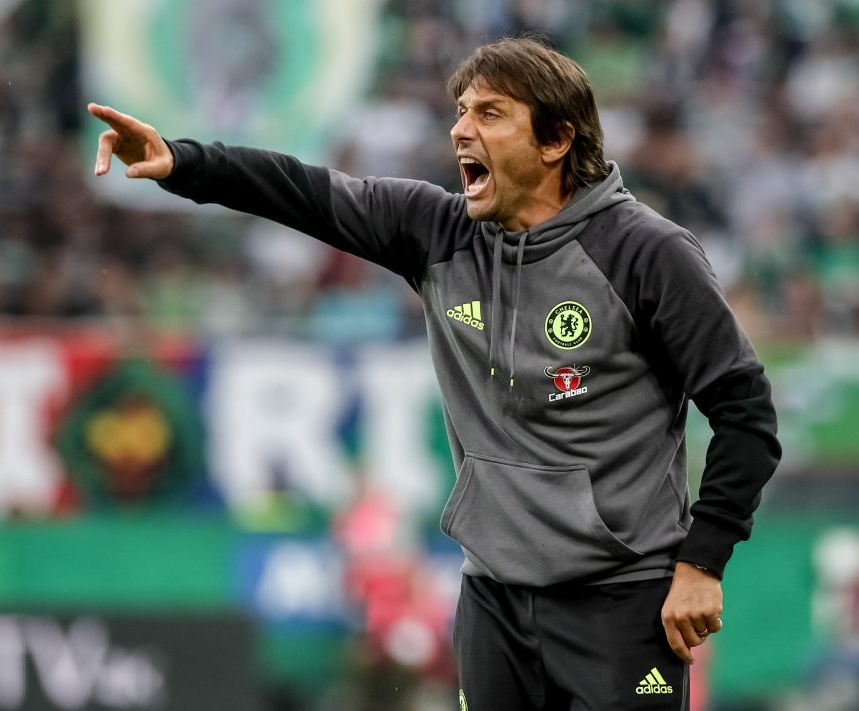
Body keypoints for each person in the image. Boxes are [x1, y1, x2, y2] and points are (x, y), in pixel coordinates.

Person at [89, 36, 781, 711]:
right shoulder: (437, 231)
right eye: (460, 111)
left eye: (489, 113)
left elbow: (746, 411)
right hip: (494, 600)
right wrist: (179, 161)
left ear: (556, 140)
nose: (460, 131)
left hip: (622, 597)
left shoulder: (648, 253)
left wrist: (702, 562)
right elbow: (304, 191)